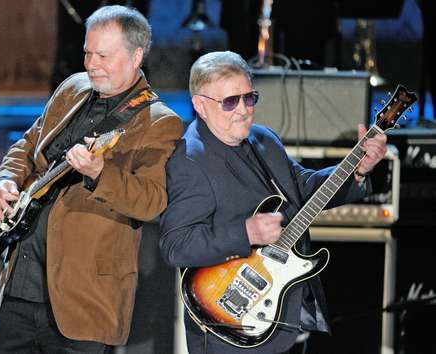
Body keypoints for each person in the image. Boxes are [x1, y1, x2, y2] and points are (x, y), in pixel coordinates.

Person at [159, 51, 387, 354]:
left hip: (285, 318)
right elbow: (176, 246)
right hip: (229, 330)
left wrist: (358, 169)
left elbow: (303, 188)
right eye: (230, 102)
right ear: (201, 105)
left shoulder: (263, 139)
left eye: (249, 98)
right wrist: (245, 234)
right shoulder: (190, 160)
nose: (243, 110)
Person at [0, 5, 183, 353]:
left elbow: (152, 202)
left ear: (136, 56)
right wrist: (4, 180)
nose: (91, 64)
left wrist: (100, 173)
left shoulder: (158, 122)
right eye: (88, 53)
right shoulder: (72, 88)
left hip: (85, 303)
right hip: (20, 288)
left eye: (103, 55)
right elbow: (27, 144)